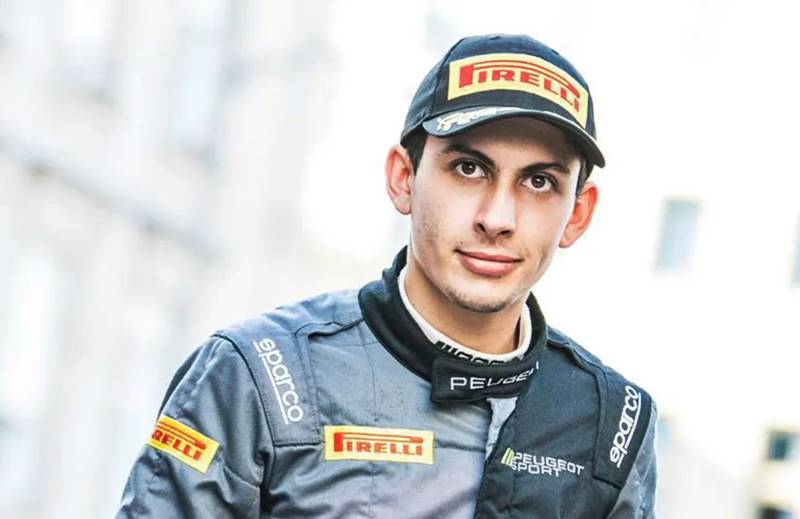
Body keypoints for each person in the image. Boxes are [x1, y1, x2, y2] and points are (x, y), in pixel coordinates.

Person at [116, 33, 657, 518]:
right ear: (403, 178)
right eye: (469, 169)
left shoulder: (614, 422)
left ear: (578, 213)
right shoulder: (258, 374)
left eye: (538, 182)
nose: (497, 218)